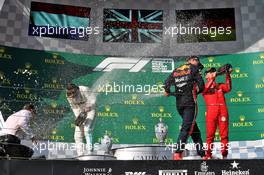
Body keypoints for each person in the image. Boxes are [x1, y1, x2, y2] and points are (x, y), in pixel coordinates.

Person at [164, 56, 205, 160]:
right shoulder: (194, 68)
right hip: (189, 103)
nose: (197, 63)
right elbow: (202, 86)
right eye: (196, 61)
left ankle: (203, 154)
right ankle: (178, 153)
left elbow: (166, 83)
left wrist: (167, 91)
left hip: (179, 105)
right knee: (186, 128)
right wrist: (196, 91)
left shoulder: (177, 69)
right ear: (191, 61)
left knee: (194, 128)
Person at [202, 66, 232, 159]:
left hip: (223, 111)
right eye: (210, 72)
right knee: (210, 135)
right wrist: (213, 78)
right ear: (206, 76)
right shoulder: (203, 86)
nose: (212, 73)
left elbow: (228, 88)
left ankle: (224, 155)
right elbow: (206, 88)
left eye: (213, 72)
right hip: (211, 113)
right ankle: (208, 155)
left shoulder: (220, 85)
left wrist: (228, 75)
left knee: (224, 135)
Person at [66, 83, 96, 157]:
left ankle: (90, 152)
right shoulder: (68, 96)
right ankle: (80, 155)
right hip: (81, 113)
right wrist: (78, 118)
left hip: (91, 110)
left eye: (73, 93)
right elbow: (74, 107)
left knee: (87, 129)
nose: (72, 95)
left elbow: (93, 99)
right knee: (77, 135)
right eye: (70, 93)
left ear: (77, 89)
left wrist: (89, 106)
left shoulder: (84, 89)